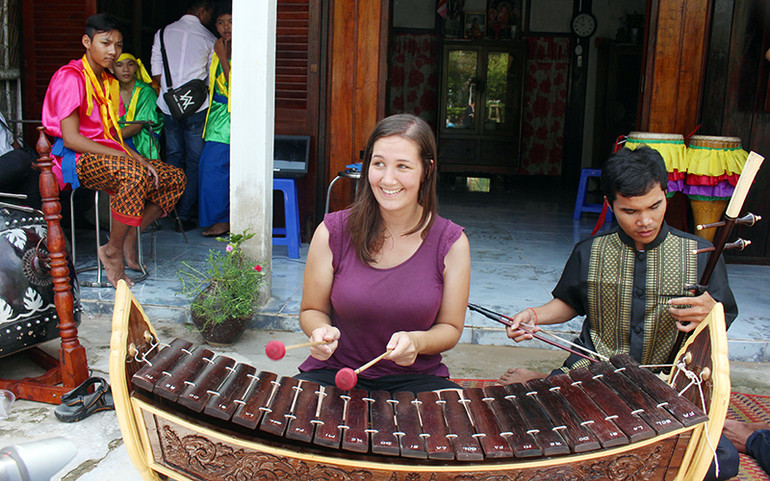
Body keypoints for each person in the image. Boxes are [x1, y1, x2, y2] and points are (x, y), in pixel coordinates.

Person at [498, 145, 739, 481]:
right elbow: (570, 302)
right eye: (630, 211)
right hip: (593, 374)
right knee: (532, 440)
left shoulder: (700, 254)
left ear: (666, 194)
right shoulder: (591, 251)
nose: (645, 220)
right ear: (610, 205)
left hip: (662, 384)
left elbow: (723, 318)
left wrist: (711, 312)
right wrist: (535, 315)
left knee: (720, 463)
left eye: (655, 206)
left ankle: (544, 385)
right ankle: (549, 385)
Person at [295, 113, 471, 394]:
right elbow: (312, 310)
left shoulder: (452, 243)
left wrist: (418, 342)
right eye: (379, 164)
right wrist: (319, 331)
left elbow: (450, 327)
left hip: (417, 379)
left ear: (426, 169)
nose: (388, 179)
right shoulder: (332, 232)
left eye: (403, 166)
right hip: (335, 373)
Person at [42, 13, 185, 288]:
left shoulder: (108, 81)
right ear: (87, 41)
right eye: (105, 43)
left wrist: (136, 156)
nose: (112, 51)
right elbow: (71, 138)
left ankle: (129, 233)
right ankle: (112, 251)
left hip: (107, 155)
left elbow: (112, 134)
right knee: (134, 175)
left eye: (118, 45)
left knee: (173, 177)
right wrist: (122, 156)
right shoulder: (71, 77)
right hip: (75, 158)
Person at [151, 0, 215, 232]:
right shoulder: (209, 38)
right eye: (210, 13)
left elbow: (156, 72)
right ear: (202, 11)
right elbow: (209, 78)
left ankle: (170, 210)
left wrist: (174, 96)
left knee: (173, 159)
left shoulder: (163, 33)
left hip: (169, 107)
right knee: (195, 162)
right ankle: (186, 216)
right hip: (197, 109)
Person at [198, 2, 231, 238]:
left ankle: (223, 220)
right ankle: (221, 219)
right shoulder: (220, 45)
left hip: (231, 119)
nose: (225, 27)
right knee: (211, 168)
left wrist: (222, 57)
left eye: (230, 21)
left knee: (215, 169)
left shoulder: (234, 48)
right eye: (220, 22)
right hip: (217, 116)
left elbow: (237, 87)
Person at [113, 53, 162, 160]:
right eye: (119, 65)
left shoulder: (146, 91)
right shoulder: (109, 90)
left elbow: (137, 126)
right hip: (117, 139)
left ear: (136, 67)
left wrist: (110, 138)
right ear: (112, 69)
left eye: (130, 64)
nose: (125, 69)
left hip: (141, 141)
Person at [0, 111, 41, 210]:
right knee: (20, 158)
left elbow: (12, 142)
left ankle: (37, 221)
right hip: (6, 165)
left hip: (9, 170)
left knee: (35, 179)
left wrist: (30, 163)